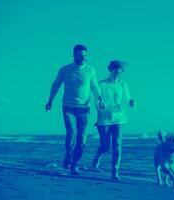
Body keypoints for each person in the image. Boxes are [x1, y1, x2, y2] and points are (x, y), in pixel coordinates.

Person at [45, 44, 104, 175]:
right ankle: (68, 153)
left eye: (85, 55)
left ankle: (74, 164)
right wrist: (50, 100)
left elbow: (94, 86)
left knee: (82, 139)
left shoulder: (90, 70)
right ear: (74, 55)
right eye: (80, 55)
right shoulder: (65, 69)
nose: (83, 57)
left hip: (84, 109)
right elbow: (56, 84)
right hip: (68, 107)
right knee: (71, 134)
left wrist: (99, 97)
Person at [92, 60, 135, 181]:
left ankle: (114, 172)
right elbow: (96, 100)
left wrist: (131, 101)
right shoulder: (101, 84)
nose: (117, 74)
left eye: (120, 73)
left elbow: (128, 97)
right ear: (110, 71)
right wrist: (99, 105)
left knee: (117, 145)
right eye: (115, 72)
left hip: (119, 117)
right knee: (105, 146)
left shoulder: (123, 84)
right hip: (104, 118)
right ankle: (98, 156)